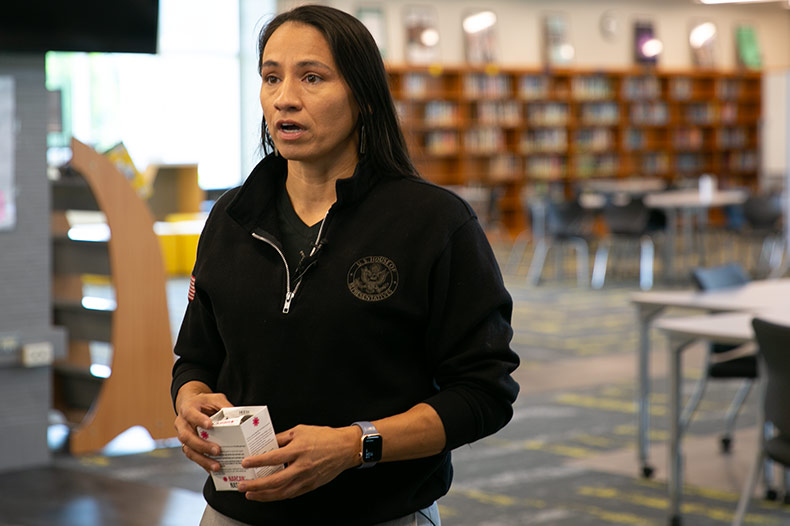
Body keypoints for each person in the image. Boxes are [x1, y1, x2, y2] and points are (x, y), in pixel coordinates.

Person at [171, 5, 520, 525]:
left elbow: (483, 393)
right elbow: (196, 358)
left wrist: (356, 445)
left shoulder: (435, 223)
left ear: (364, 97)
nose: (285, 97)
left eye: (312, 77)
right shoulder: (231, 216)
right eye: (271, 77)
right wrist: (190, 402)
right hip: (234, 513)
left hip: (380, 514)